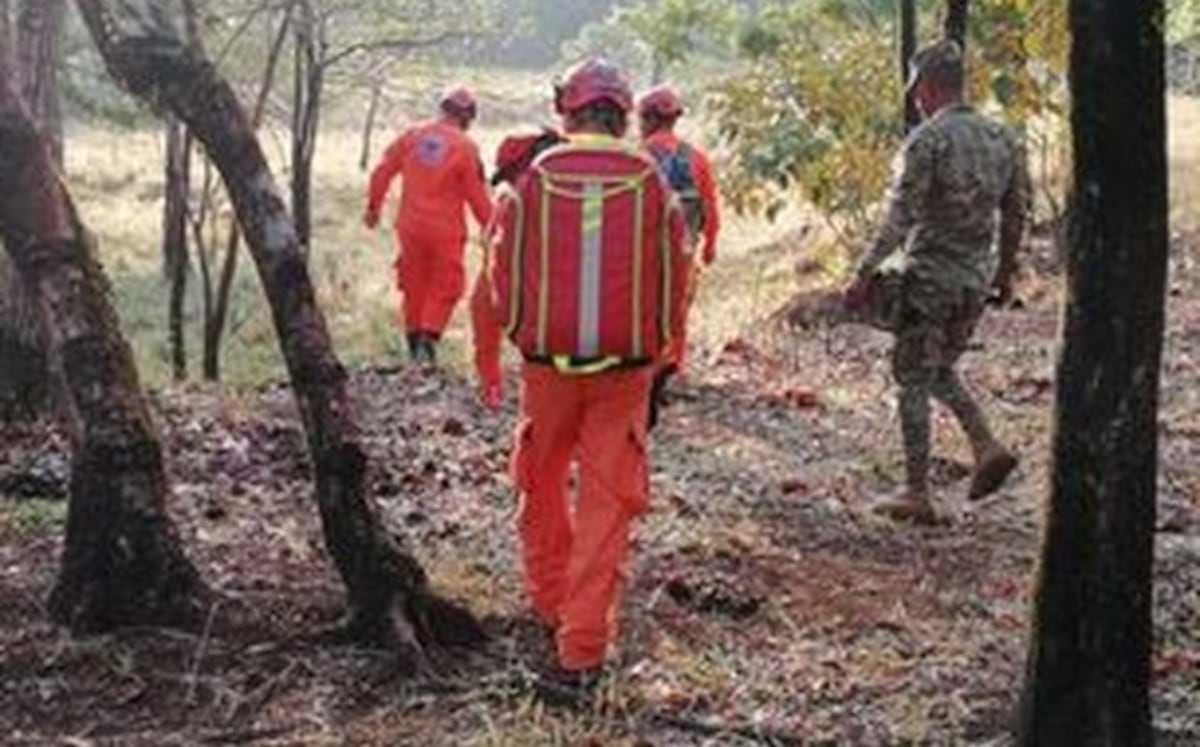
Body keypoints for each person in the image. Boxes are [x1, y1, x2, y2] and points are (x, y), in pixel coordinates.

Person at [472, 58, 687, 693]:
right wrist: (662, 356)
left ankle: (548, 603)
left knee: (537, 486)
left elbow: (495, 276)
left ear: (567, 109)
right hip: (625, 373)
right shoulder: (651, 182)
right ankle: (583, 648)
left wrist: (496, 354)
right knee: (605, 505)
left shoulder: (531, 179)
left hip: (545, 369)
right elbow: (678, 280)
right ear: (623, 114)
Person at [845, 40, 1031, 523]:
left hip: (929, 280)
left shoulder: (928, 141)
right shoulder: (1002, 139)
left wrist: (863, 271)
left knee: (911, 378)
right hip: (974, 280)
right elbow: (1016, 215)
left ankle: (915, 492)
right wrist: (1005, 274)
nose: (917, 100)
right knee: (940, 368)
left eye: (917, 91)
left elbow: (899, 218)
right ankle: (986, 444)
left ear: (927, 87)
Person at [364, 86, 493, 364]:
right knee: (447, 284)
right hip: (445, 231)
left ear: (442, 108)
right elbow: (478, 197)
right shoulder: (466, 147)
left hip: (409, 228)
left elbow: (382, 171)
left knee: (414, 283)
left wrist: (373, 208)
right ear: (468, 117)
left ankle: (414, 346)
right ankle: (428, 340)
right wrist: (493, 230)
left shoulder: (413, 136)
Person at [636, 85, 721, 427]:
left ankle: (646, 371)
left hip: (642, 252)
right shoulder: (696, 158)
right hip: (684, 252)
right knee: (677, 314)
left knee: (643, 311)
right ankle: (672, 368)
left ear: (648, 118)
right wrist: (711, 244)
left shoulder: (636, 157)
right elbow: (710, 206)